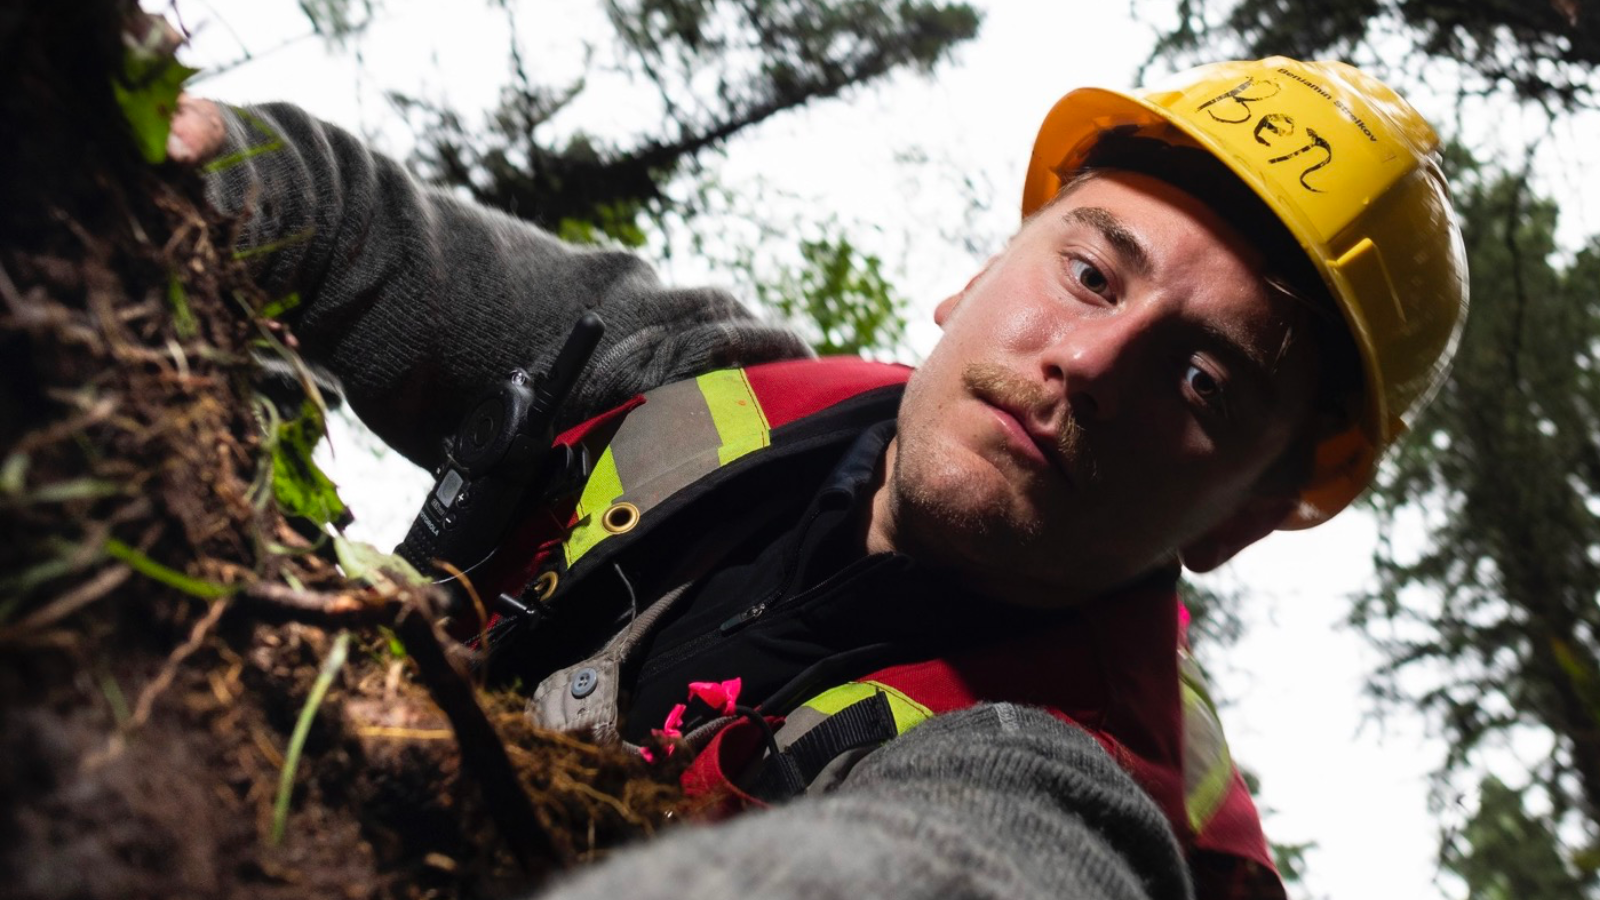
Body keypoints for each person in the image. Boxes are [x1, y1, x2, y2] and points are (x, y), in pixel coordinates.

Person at [175, 55, 1467, 900]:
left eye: (1203, 383)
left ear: (1245, 514)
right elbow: (353, 228)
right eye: (1090, 272)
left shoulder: (1079, 790)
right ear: (977, 277)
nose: (1088, 363)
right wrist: (180, 151)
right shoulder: (696, 378)